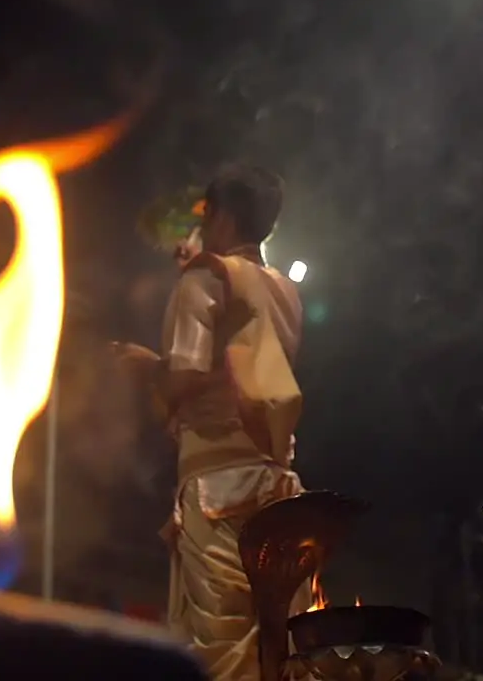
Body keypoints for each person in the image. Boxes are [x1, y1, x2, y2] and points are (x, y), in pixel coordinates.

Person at [112, 164, 306, 681]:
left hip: (218, 488)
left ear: (218, 217)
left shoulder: (203, 280)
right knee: (276, 643)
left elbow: (184, 375)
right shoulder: (286, 290)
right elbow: (243, 361)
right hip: (277, 483)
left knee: (220, 649)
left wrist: (143, 365)